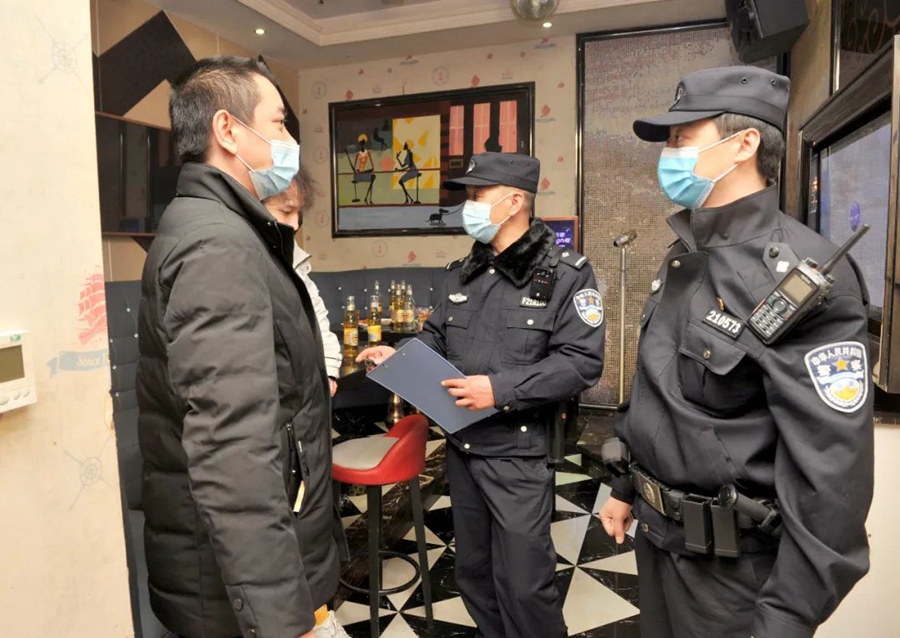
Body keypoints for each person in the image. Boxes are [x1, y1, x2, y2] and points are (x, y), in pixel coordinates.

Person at [597, 66, 874, 638]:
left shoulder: (800, 279)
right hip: (658, 540)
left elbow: (830, 481)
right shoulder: (684, 253)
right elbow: (656, 393)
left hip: (732, 575)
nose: (668, 155)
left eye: (681, 138)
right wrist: (625, 489)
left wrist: (786, 618)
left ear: (744, 144)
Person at [137, 56, 345, 638]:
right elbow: (233, 452)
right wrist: (283, 619)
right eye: (278, 124)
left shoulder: (228, 233)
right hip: (242, 595)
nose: (289, 142)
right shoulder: (218, 247)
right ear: (227, 130)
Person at [357, 152, 606, 638]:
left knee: (525, 585)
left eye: (477, 194)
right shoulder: (461, 271)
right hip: (462, 449)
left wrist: (498, 389)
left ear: (514, 202)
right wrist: (400, 356)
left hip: (519, 455)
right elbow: (435, 337)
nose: (467, 205)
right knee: (474, 575)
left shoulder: (566, 273)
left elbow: (581, 363)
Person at [264, 166, 341, 395]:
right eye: (286, 211)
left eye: (299, 213)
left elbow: (316, 313)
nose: (296, 224)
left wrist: (329, 367)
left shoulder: (292, 252)